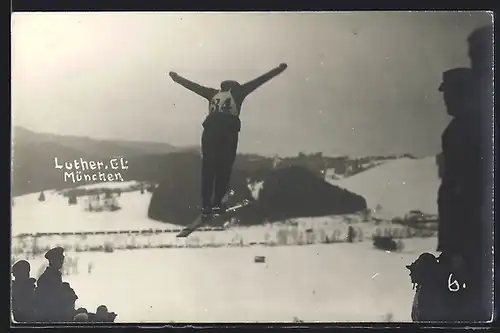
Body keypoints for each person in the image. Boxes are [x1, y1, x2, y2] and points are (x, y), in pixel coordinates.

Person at [169, 64, 288, 217]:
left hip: (210, 131)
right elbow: (260, 80)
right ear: (234, 87)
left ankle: (206, 204)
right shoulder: (239, 92)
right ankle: (217, 203)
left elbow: (193, 86)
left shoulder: (213, 93)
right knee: (223, 169)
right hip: (228, 133)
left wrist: (176, 78)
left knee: (208, 168)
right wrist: (279, 69)